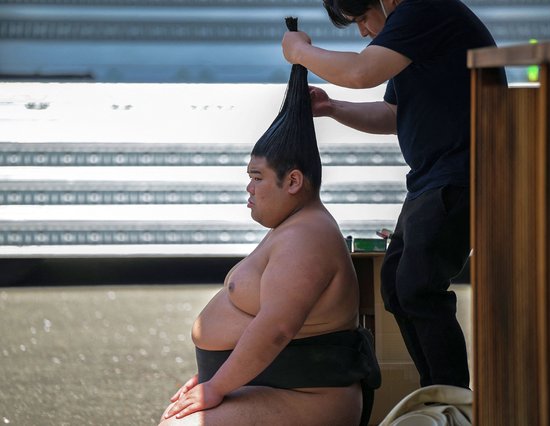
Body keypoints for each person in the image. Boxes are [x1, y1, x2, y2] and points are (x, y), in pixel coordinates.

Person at [159, 27, 381, 425]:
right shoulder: (294, 228)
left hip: (309, 399)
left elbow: (277, 328)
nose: (249, 189)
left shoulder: (307, 237)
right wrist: (218, 374)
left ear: (293, 181)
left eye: (257, 177)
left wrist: (217, 385)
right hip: (278, 386)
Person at [282, 0, 504, 389]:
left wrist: (300, 51)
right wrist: (333, 108)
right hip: (433, 178)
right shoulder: (411, 33)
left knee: (417, 286)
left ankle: (450, 399)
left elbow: (360, 71)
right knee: (398, 287)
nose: (365, 32)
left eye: (362, 19)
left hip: (461, 174)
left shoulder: (422, 10)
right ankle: (439, 392)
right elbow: (393, 115)